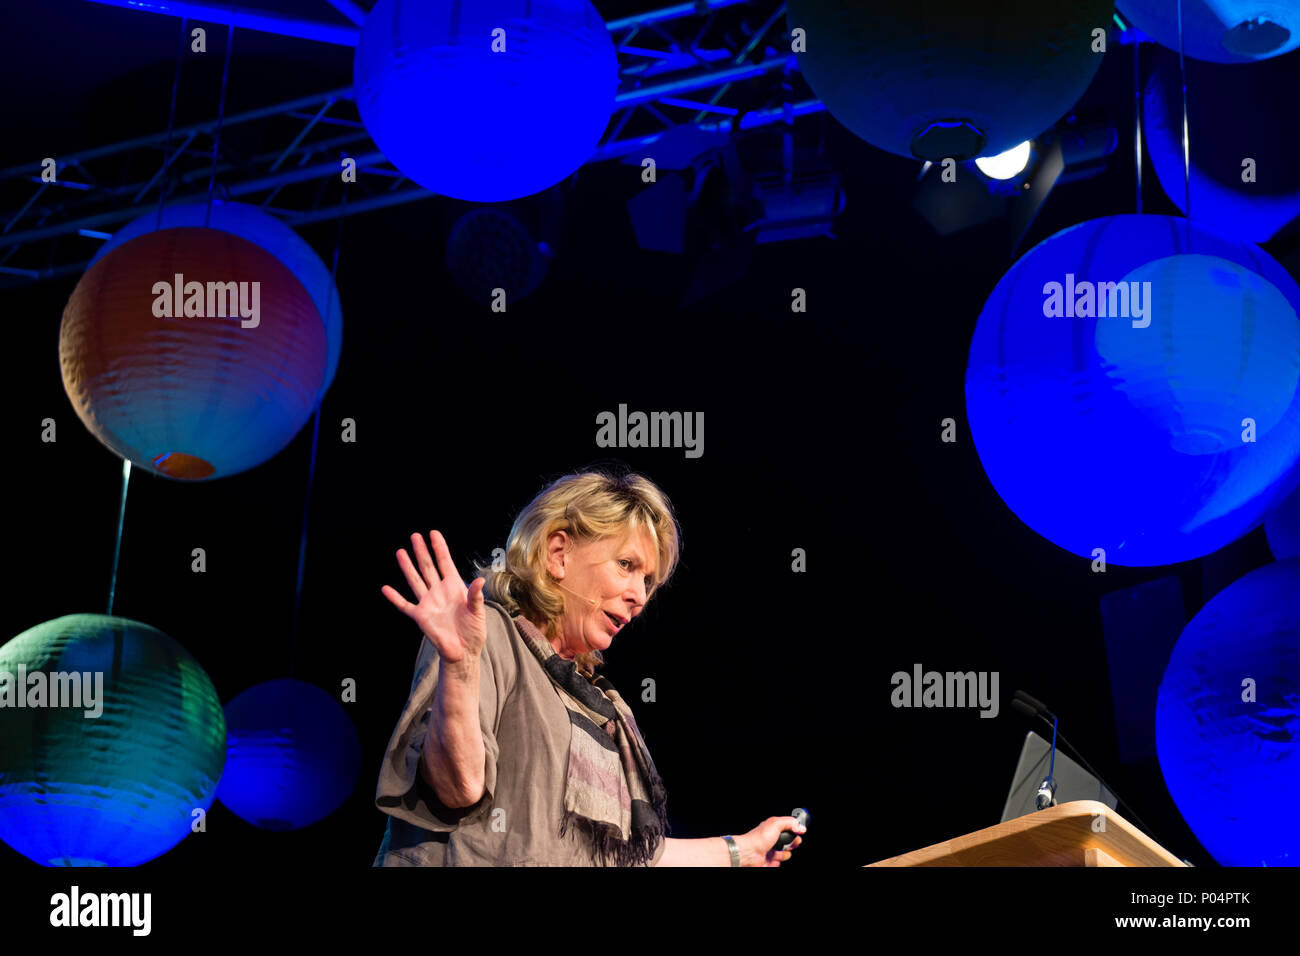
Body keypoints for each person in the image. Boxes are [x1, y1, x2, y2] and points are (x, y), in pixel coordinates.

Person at [371, 469, 806, 866]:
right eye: (626, 565)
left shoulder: (601, 707)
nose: (640, 596)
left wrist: (742, 850)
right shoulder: (487, 636)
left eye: (648, 581)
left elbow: (628, 859)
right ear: (559, 553)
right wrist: (462, 667)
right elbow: (455, 789)